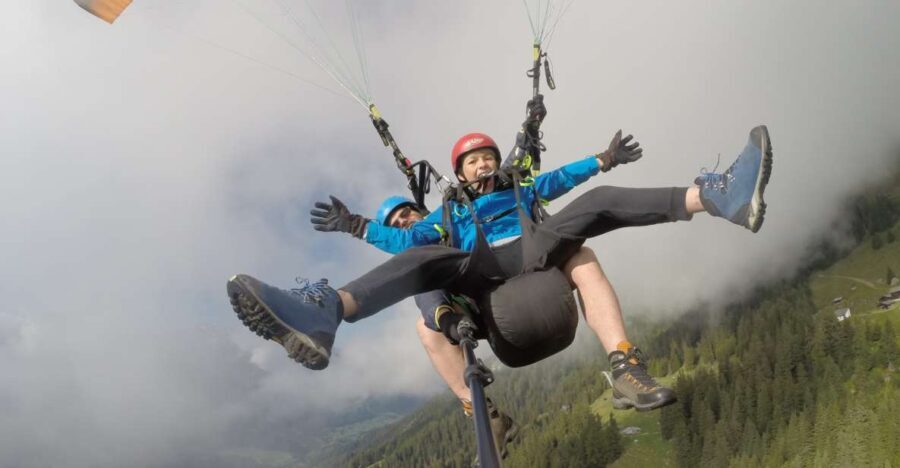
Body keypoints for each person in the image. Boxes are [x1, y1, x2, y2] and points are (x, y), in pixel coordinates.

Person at [226, 124, 772, 412]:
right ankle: (326, 311)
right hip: (484, 279)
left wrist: (601, 160)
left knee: (596, 206)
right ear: (460, 173)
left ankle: (719, 198)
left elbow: (563, 179)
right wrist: (356, 226)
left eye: (488, 157)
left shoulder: (520, 189)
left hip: (534, 252)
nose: (484, 164)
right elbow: (402, 238)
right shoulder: (449, 213)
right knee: (427, 257)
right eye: (473, 161)